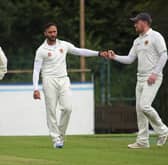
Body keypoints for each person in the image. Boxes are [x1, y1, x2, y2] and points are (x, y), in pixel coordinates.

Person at [32, 22, 107, 149]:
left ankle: (60, 135)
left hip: (63, 79)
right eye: (50, 32)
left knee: (67, 108)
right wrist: (35, 88)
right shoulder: (41, 50)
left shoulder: (64, 45)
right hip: (49, 80)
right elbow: (36, 70)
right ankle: (56, 139)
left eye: (54, 31)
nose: (53, 34)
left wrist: (98, 53)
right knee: (51, 111)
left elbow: (79, 51)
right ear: (45, 33)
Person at [108, 13, 168, 149]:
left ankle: (163, 131)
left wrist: (155, 73)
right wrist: (114, 57)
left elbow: (164, 55)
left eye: (136, 22)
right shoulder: (137, 41)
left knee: (144, 106)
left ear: (144, 23)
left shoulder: (156, 36)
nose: (134, 25)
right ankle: (142, 141)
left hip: (153, 77)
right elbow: (130, 59)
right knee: (140, 110)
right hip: (140, 78)